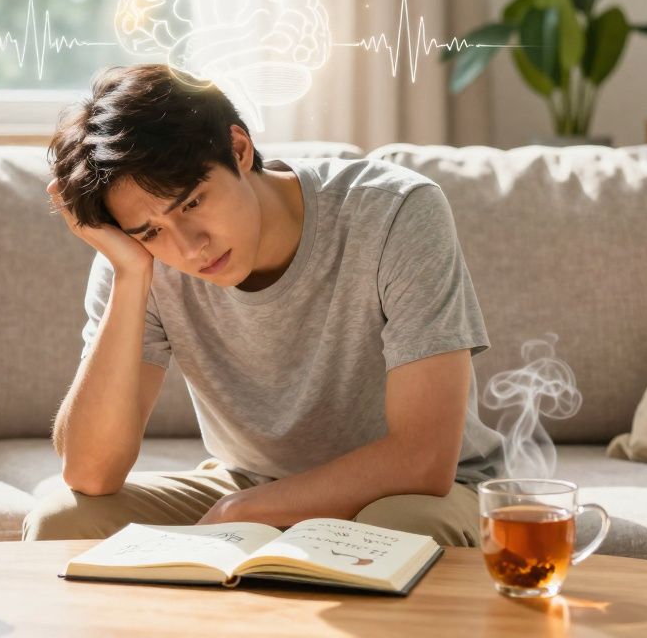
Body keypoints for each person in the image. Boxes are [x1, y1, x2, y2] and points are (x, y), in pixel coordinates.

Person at [28, 63, 503, 546]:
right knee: (65, 522)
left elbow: (422, 459)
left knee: (399, 533)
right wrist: (130, 275)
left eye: (191, 203)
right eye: (151, 230)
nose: (190, 248)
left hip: (412, 494)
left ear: (238, 149)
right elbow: (90, 474)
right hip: (251, 481)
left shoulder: (395, 211)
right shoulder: (140, 260)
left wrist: (239, 512)